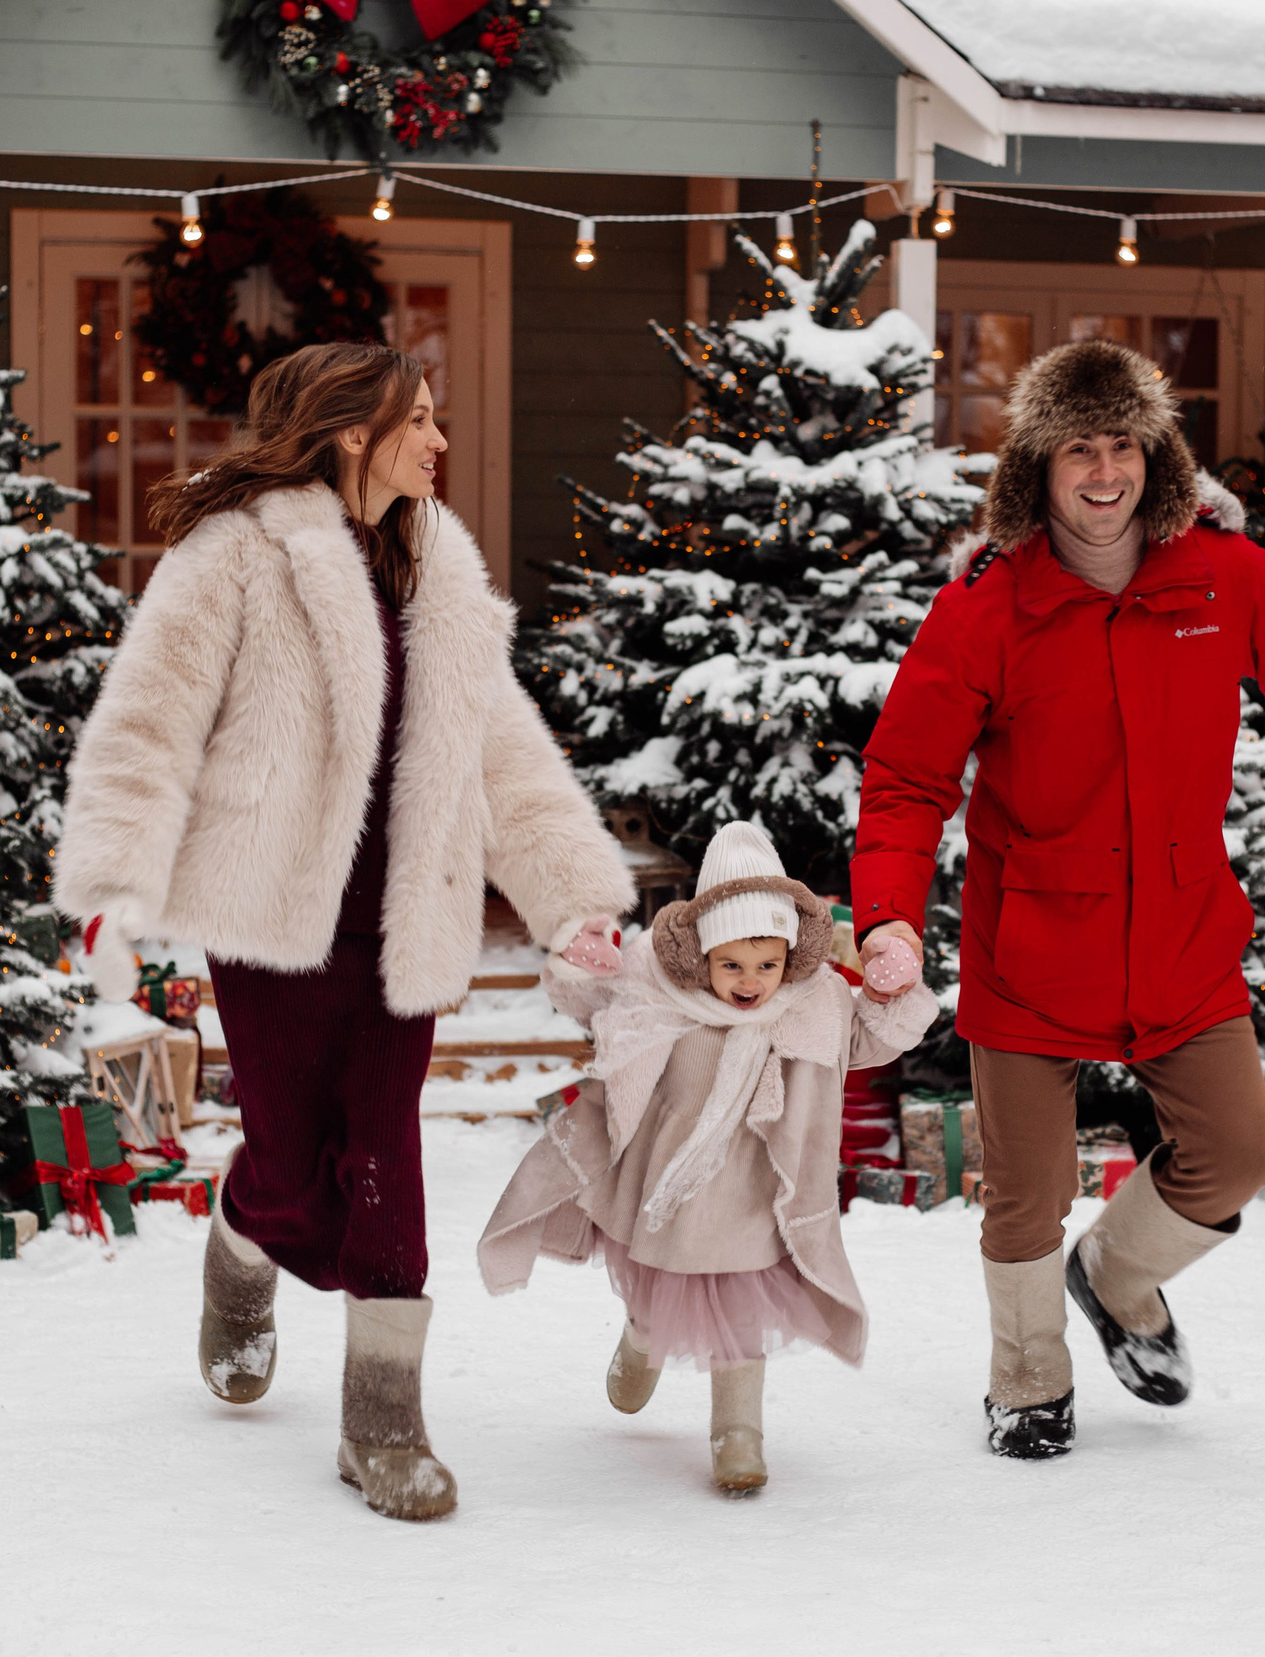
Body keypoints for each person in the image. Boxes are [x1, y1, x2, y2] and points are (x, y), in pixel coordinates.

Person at [55, 344, 632, 1521]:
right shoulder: (238, 554)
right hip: (274, 913)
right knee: (288, 1152)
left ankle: (383, 1417)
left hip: (402, 912)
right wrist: (117, 870)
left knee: (383, 1150)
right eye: (416, 422)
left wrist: (570, 898)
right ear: (348, 433)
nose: (438, 442)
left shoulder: (442, 571)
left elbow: (502, 751)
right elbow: (153, 715)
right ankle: (242, 1231)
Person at [852, 340, 1265, 1459]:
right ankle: (1026, 1381)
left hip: (1178, 935)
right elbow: (908, 776)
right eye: (1079, 448)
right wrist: (886, 913)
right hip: (1031, 943)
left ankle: (1115, 1277)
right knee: (1023, 1195)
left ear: (1152, 456)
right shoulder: (988, 603)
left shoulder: (1222, 575)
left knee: (1238, 1151)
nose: (1103, 470)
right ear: (1039, 466)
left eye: (1122, 444)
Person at [477, 822, 935, 1494]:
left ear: (788, 957)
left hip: (752, 1194)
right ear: (702, 956)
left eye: (765, 965)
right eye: (731, 965)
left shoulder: (811, 1004)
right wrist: (584, 960)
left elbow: (864, 1037)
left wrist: (890, 990)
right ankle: (641, 1341)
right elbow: (594, 1004)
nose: (750, 983)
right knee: (655, 1285)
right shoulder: (658, 986)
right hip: (666, 1187)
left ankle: (738, 1431)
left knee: (740, 1312)